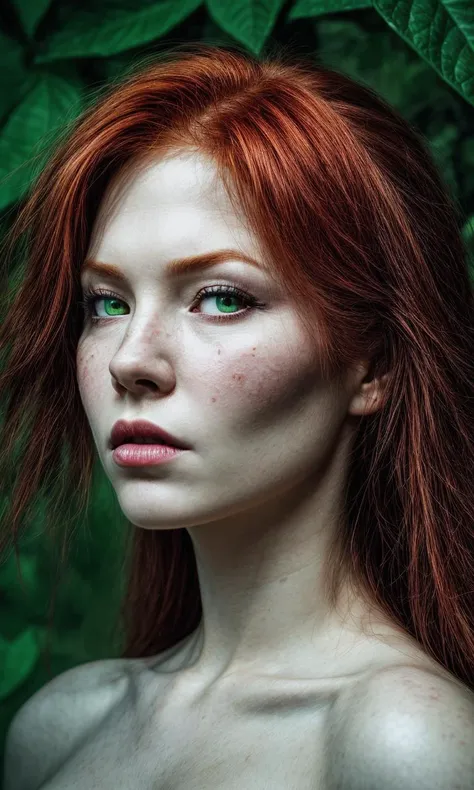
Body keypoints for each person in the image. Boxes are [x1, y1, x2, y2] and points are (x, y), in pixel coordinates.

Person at [1, 42, 474, 789]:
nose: (131, 358)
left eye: (222, 297)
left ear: (374, 364)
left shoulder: (404, 743)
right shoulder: (59, 728)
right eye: (108, 302)